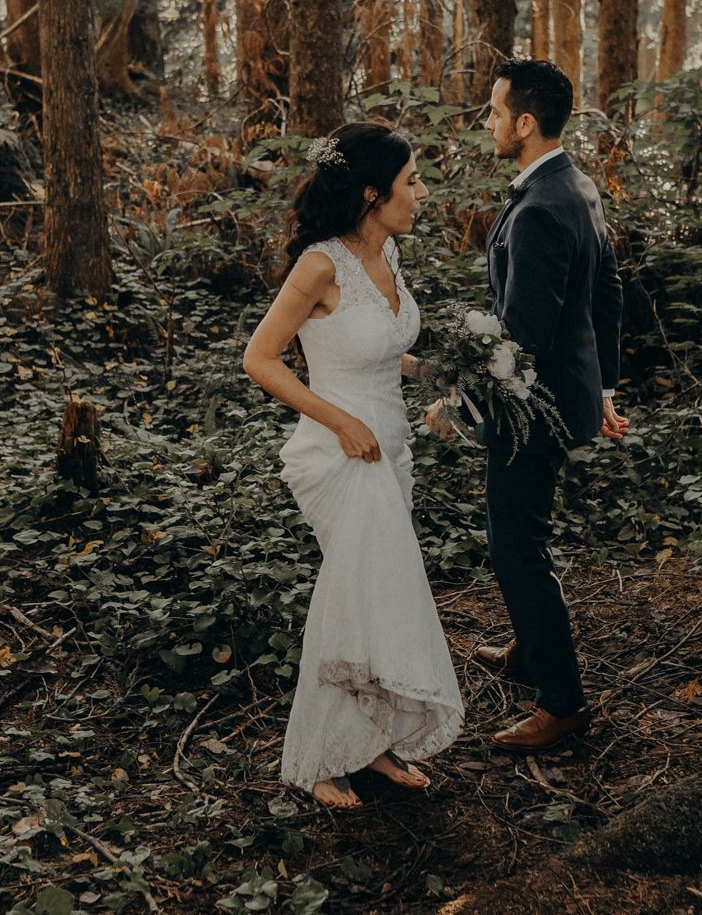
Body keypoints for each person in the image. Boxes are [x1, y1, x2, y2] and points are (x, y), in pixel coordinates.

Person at [242, 122, 464, 809]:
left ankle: (374, 744)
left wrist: (439, 373)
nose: (422, 193)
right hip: (341, 453)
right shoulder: (320, 265)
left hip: (391, 448)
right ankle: (316, 758)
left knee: (380, 600)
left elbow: (376, 347)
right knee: (352, 598)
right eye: (412, 181)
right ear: (373, 192)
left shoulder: (388, 253)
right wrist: (339, 421)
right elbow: (260, 358)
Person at [444, 56, 627, 754]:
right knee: (527, 536)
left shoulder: (542, 210)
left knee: (516, 544)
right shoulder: (574, 184)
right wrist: (604, 388)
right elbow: (606, 290)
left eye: (493, 110)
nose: (486, 121)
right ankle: (529, 638)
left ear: (525, 121)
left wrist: (459, 391)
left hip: (530, 412)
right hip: (565, 396)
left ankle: (562, 700)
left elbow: (521, 340)